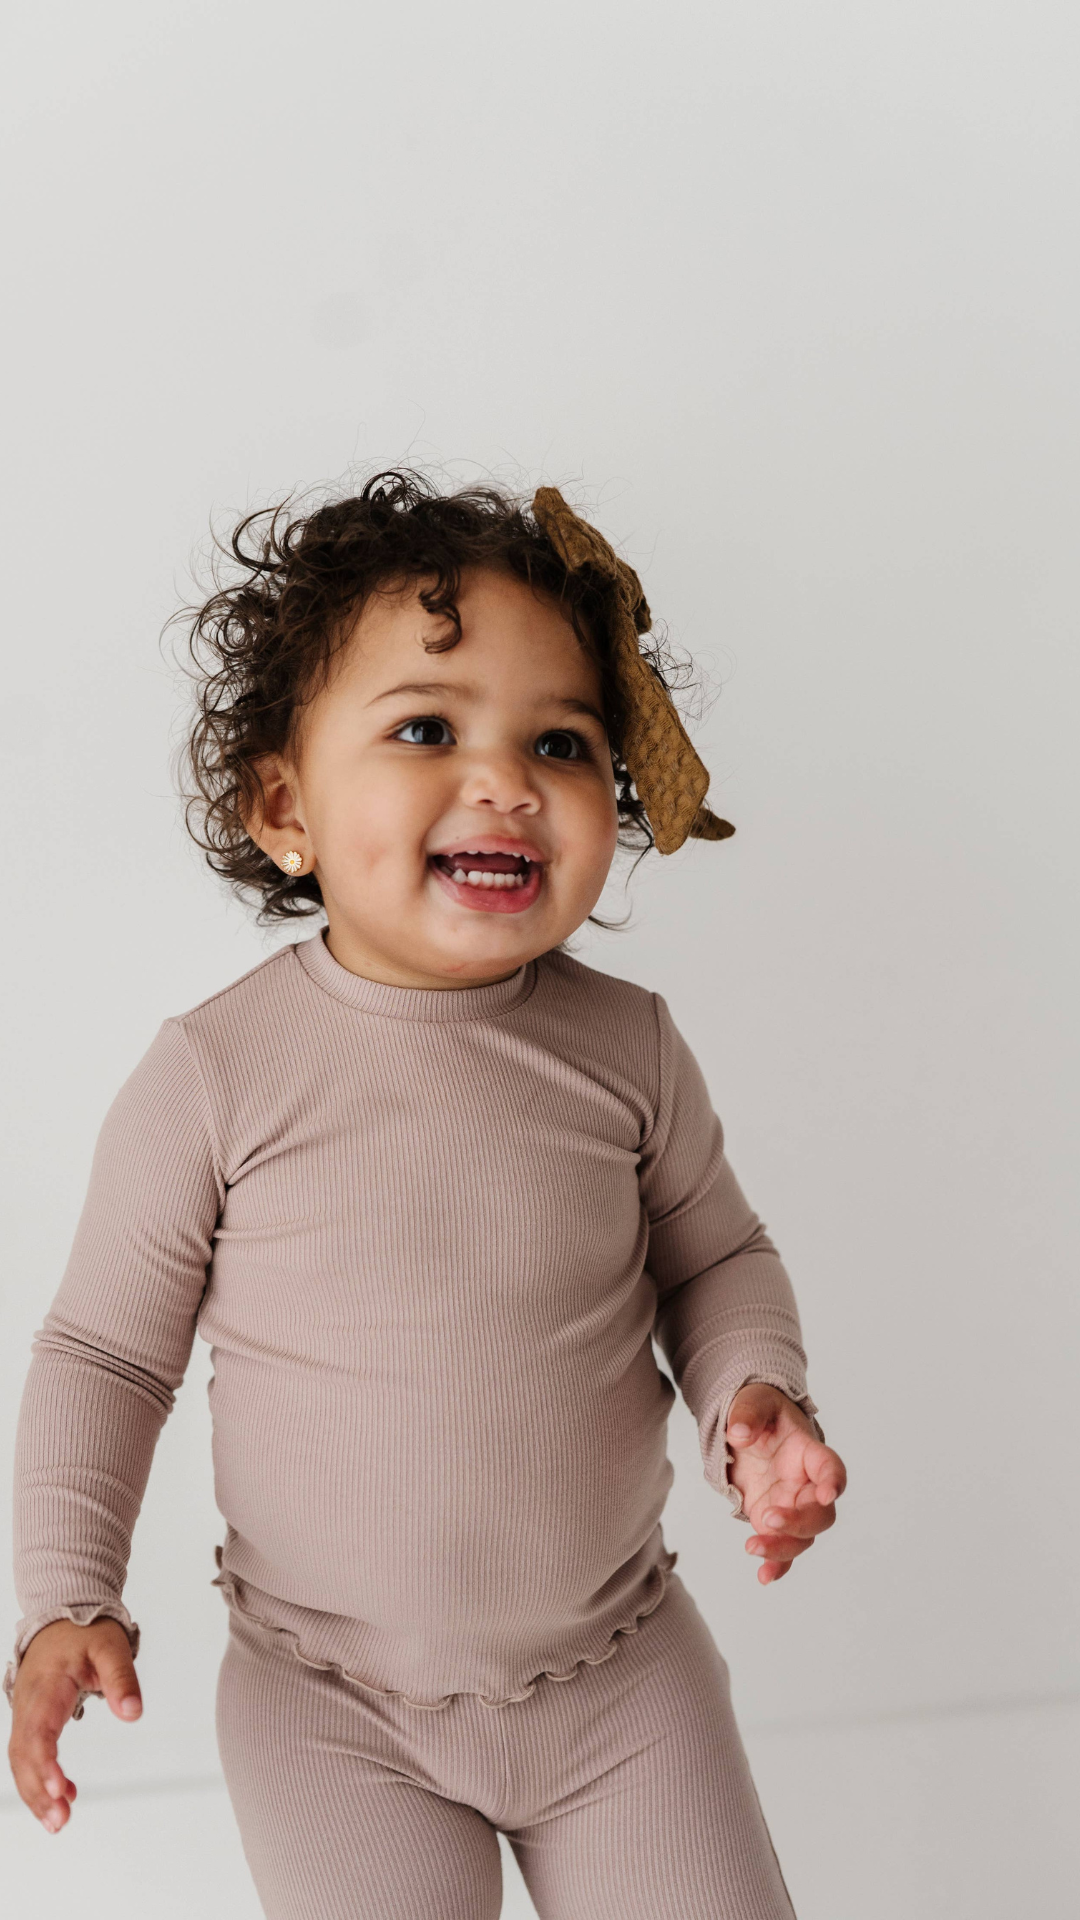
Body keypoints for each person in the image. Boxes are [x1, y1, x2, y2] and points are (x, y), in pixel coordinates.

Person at [5, 471, 847, 1918]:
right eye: (425, 728)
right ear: (285, 807)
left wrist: (754, 1393)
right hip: (335, 1715)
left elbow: (716, 1260)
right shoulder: (217, 1075)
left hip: (622, 1680)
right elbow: (102, 1353)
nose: (507, 778)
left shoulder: (626, 1046)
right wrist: (69, 1593)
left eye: (562, 742)